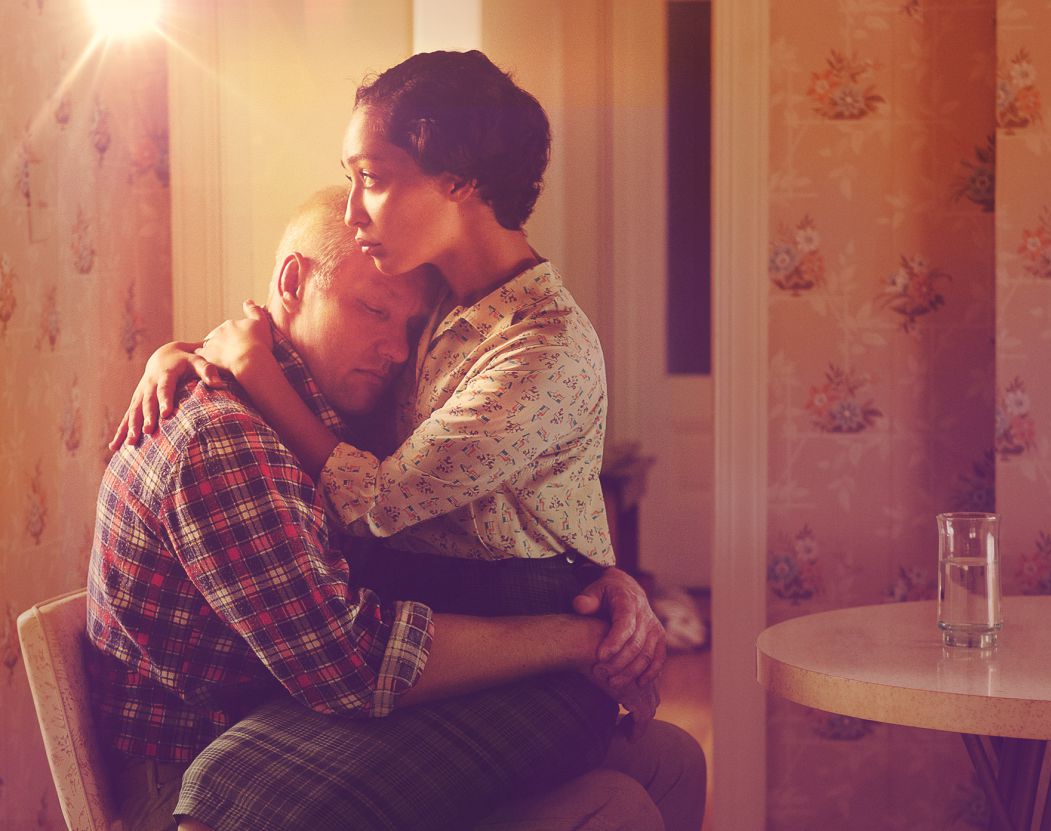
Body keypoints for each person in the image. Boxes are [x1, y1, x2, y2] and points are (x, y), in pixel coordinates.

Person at [115, 49, 704, 829]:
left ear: (457, 180)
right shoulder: (437, 318)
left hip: (488, 627)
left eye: (372, 176)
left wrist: (604, 586)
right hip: (390, 650)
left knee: (666, 760)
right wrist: (182, 351)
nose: (355, 210)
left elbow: (380, 498)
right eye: (352, 178)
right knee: (237, 780)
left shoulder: (539, 343)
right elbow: (326, 427)